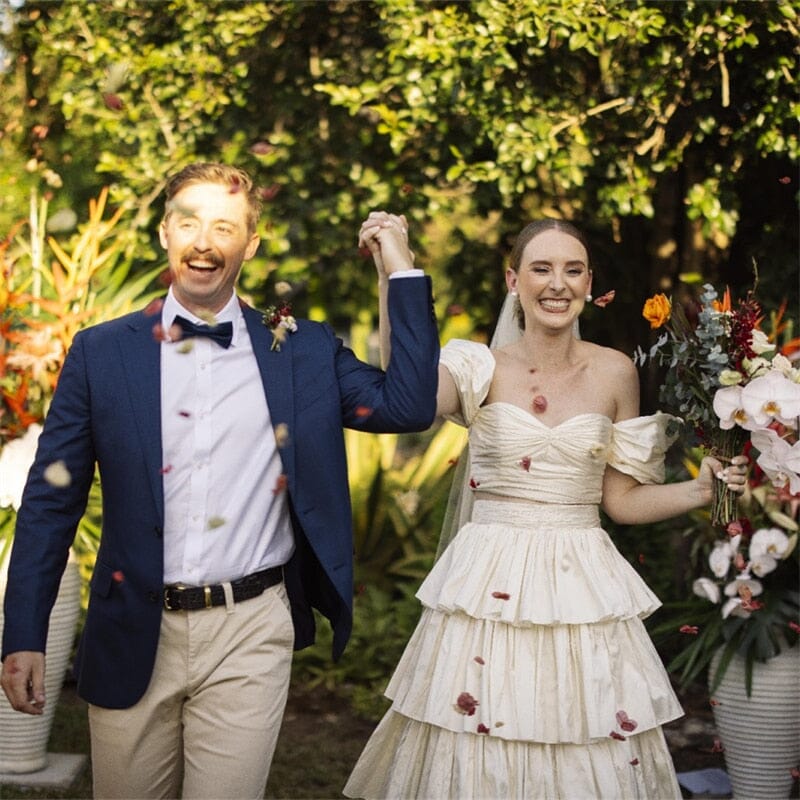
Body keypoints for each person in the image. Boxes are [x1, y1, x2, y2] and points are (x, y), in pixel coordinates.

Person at [0, 162, 440, 799]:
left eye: (225, 227)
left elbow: (407, 405)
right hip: (133, 625)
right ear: (166, 233)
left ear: (250, 246)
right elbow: (50, 500)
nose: (205, 242)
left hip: (251, 628)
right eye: (191, 223)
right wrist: (24, 636)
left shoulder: (303, 350)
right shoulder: (101, 352)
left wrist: (398, 263)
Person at [344, 218, 748, 799]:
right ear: (514, 280)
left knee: (581, 737)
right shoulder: (476, 365)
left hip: (580, 584)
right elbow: (409, 395)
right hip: (488, 585)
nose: (557, 283)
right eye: (541, 268)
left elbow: (621, 500)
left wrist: (701, 489)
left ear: (589, 283)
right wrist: (394, 270)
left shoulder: (615, 371)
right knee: (479, 738)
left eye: (572, 269)